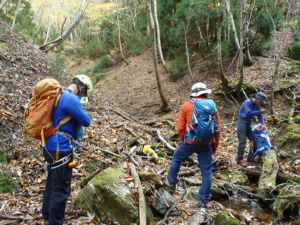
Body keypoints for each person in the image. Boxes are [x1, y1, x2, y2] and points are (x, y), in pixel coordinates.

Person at [42, 75, 93, 225]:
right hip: (61, 148)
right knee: (61, 189)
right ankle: (55, 222)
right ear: (82, 88)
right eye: (84, 94)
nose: (82, 97)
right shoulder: (70, 98)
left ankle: (47, 219)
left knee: (52, 184)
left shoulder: (58, 95)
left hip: (50, 146)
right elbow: (86, 121)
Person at [166, 83, 221, 213]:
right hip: (206, 144)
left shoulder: (187, 105)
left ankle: (172, 183)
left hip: (190, 142)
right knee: (206, 171)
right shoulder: (212, 106)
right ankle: (203, 202)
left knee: (177, 157)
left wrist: (184, 140)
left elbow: (180, 126)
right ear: (206, 93)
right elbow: (217, 128)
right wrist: (214, 146)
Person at [237, 92, 267, 165]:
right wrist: (260, 111)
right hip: (242, 122)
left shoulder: (257, 105)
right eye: (260, 101)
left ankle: (250, 157)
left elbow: (260, 115)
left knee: (254, 140)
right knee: (243, 141)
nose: (260, 104)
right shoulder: (247, 103)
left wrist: (263, 124)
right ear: (256, 98)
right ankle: (239, 159)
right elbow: (248, 113)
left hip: (249, 123)